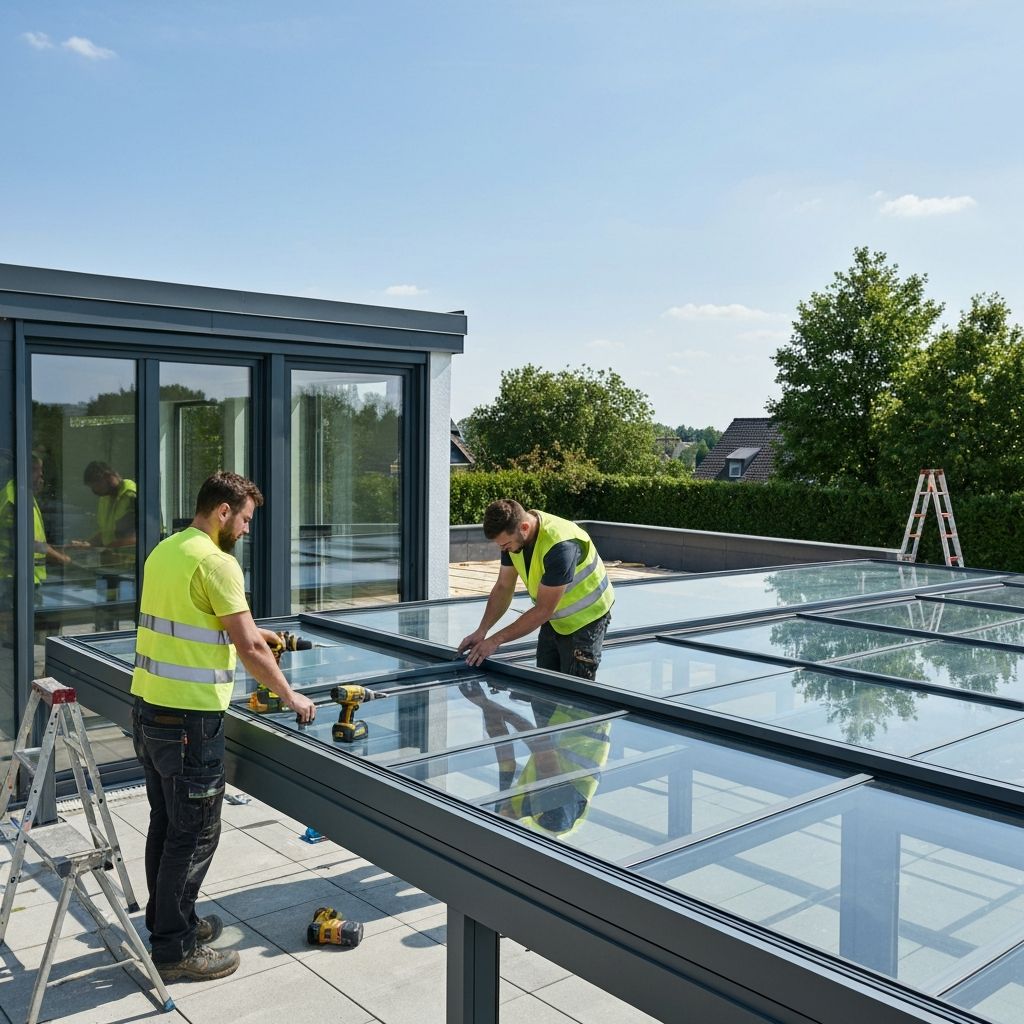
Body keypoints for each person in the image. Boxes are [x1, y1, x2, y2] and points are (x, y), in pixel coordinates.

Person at [130, 471, 316, 982]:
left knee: (167, 825)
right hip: (189, 722)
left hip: (148, 710)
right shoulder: (218, 562)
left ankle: (172, 922)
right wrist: (290, 695)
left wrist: (256, 630)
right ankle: (174, 948)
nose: (247, 530)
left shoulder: (165, 551)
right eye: (246, 519)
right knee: (195, 834)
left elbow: (202, 621)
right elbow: (249, 647)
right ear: (223, 511)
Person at [458, 499, 614, 678]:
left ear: (524, 527)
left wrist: (495, 641)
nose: (504, 550)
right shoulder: (513, 540)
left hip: (586, 620)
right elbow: (504, 586)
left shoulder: (560, 546)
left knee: (573, 688)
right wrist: (482, 631)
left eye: (506, 544)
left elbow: (543, 610)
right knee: (544, 683)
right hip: (554, 619)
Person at [0, 454, 72, 587]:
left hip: (25, 575)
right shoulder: (15, 497)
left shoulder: (24, 493)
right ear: (23, 469)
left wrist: (55, 549)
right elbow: (26, 541)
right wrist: (60, 557)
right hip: (12, 578)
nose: (40, 475)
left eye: (41, 470)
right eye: (35, 470)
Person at [81, 461, 137, 560]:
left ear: (108, 477)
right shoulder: (105, 499)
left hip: (133, 563)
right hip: (115, 562)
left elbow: (138, 538)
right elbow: (107, 533)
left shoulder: (132, 496)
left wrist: (107, 549)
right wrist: (88, 544)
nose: (94, 491)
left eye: (96, 485)